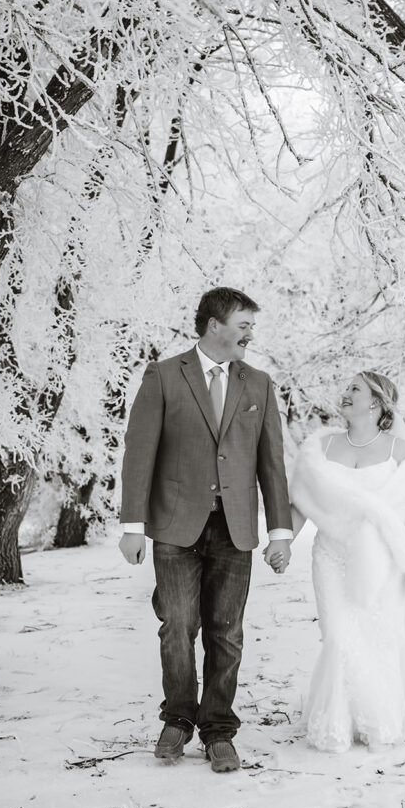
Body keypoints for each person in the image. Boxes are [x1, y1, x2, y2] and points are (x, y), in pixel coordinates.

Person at [119, 287, 293, 773]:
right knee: (177, 626)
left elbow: (272, 464)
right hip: (175, 526)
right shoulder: (163, 375)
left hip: (235, 529)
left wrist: (280, 532)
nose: (250, 334)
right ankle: (177, 718)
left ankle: (218, 728)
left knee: (227, 632)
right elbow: (140, 453)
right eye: (243, 325)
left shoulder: (258, 384)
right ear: (214, 325)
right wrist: (133, 525)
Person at [288, 371, 405, 753]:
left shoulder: (401, 452)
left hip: (383, 559)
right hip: (331, 555)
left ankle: (375, 720)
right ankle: (334, 723)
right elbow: (303, 501)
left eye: (355, 389)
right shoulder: (321, 448)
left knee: (377, 637)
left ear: (376, 403)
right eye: (347, 388)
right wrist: (281, 540)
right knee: (337, 636)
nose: (345, 394)